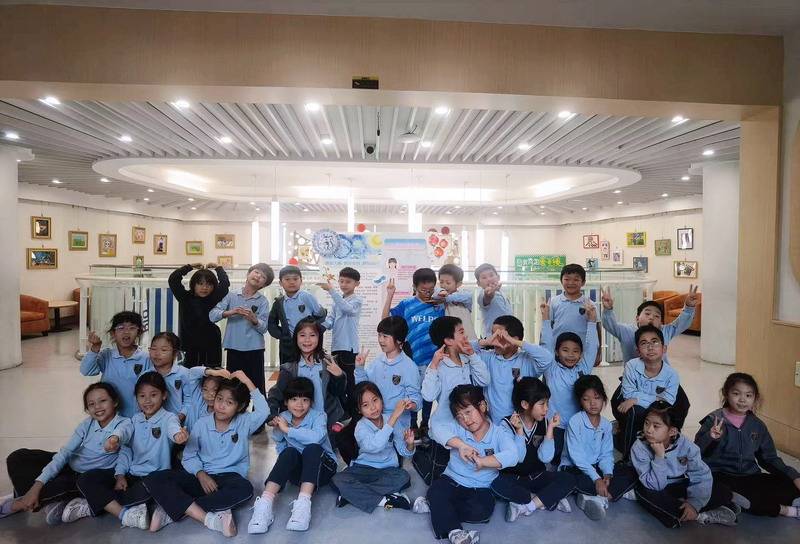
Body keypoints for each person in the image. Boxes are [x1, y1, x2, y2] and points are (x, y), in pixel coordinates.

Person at [144, 371, 267, 537]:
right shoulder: (202, 424)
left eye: (229, 402)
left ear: (239, 407)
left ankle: (175, 508)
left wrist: (245, 380)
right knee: (154, 478)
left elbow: (264, 410)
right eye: (219, 399)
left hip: (229, 478)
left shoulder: (245, 422)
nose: (221, 406)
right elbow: (189, 455)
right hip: (201, 476)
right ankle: (210, 516)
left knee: (245, 489)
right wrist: (201, 474)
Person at [69, 372, 190, 528]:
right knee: (86, 479)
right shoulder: (134, 419)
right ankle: (123, 511)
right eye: (142, 396)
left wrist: (178, 435)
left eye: (153, 395)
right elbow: (125, 446)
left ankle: (95, 505)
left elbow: (174, 429)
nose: (147, 401)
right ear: (136, 398)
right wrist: (120, 474)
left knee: (146, 490)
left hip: (154, 479)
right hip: (132, 476)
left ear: (164, 395)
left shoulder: (169, 418)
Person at [1, 383, 131, 525]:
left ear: (115, 402)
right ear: (87, 409)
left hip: (85, 478)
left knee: (55, 487)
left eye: (103, 401)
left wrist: (113, 440)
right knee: (18, 457)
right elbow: (65, 453)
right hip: (70, 464)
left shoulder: (124, 424)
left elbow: (122, 436)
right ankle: (29, 496)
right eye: (91, 404)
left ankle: (17, 504)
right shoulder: (87, 424)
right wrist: (36, 486)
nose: (97, 407)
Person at [420, 385, 518, 544]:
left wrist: (483, 462)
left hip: (481, 487)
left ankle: (436, 507)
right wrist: (461, 445)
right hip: (452, 480)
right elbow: (435, 429)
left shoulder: (499, 433)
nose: (465, 420)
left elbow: (513, 455)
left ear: (482, 406)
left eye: (468, 412)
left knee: (482, 512)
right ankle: (455, 533)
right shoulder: (457, 428)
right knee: (436, 490)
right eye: (459, 416)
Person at [695, 372, 800, 520]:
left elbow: (769, 459)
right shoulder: (714, 420)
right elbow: (696, 453)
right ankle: (786, 510)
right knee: (728, 494)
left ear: (755, 398)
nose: (742, 400)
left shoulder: (757, 425)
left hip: (750, 476)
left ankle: (740, 503)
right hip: (720, 476)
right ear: (726, 394)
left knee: (789, 485)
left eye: (748, 395)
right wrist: (710, 437)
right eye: (736, 394)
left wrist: (794, 476)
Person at [249, 377, 338, 533]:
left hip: (323, 469)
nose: (299, 404)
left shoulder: (319, 416)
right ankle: (264, 505)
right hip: (299, 474)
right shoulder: (283, 417)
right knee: (288, 451)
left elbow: (316, 438)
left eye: (305, 400)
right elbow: (280, 443)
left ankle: (303, 506)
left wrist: (288, 430)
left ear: (311, 402)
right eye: (294, 399)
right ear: (286, 402)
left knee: (312, 448)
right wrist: (279, 428)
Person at [631, 401, 739, 528]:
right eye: (646, 423)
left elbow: (700, 474)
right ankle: (702, 515)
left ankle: (689, 510)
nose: (649, 430)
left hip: (679, 485)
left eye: (656, 426)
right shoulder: (639, 447)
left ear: (672, 431)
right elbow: (655, 485)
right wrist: (659, 457)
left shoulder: (686, 446)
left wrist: (693, 503)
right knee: (645, 493)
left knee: (720, 488)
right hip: (657, 486)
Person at [414, 316, 490, 485]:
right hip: (445, 427)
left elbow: (484, 380)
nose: (465, 336)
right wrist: (434, 365)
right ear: (448, 340)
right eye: (461, 332)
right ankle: (418, 457)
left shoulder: (468, 360)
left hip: (466, 427)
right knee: (435, 477)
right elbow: (428, 396)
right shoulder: (439, 365)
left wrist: (472, 355)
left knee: (463, 471)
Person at [337, 316, 421, 465]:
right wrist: (360, 368)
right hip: (372, 418)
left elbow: (417, 400)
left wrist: (410, 404)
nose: (381, 340)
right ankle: (358, 468)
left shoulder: (409, 367)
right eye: (379, 335)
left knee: (392, 459)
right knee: (345, 439)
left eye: (385, 336)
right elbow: (363, 389)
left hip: (396, 423)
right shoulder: (377, 362)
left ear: (399, 340)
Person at [490, 377, 576, 521]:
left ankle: (528, 506)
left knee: (568, 479)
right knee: (495, 484)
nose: (546, 409)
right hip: (513, 478)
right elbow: (518, 458)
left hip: (536, 476)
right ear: (525, 404)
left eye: (547, 403)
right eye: (542, 404)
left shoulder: (545, 422)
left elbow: (545, 458)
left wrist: (550, 429)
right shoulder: (506, 425)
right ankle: (546, 499)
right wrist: (519, 431)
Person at [559, 375, 636, 521]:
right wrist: (596, 479)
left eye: (597, 397)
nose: (592, 403)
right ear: (580, 401)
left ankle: (596, 497)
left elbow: (606, 454)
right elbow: (577, 458)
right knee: (569, 479)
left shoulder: (606, 425)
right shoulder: (575, 422)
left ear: (604, 398)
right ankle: (603, 494)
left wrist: (607, 473)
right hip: (574, 468)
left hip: (595, 468)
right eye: (586, 399)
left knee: (631, 472)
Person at [331, 381, 416, 513]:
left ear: (381, 399)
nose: (373, 407)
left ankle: (352, 495)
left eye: (375, 400)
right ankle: (385, 501)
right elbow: (375, 446)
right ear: (359, 410)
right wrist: (394, 417)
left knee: (404, 477)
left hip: (388, 470)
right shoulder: (361, 427)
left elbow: (403, 452)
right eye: (365, 405)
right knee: (337, 479)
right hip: (363, 468)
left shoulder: (390, 419)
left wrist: (410, 444)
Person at [382, 267, 444, 436]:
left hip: (433, 360)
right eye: (423, 290)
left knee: (428, 393)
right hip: (411, 359)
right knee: (411, 393)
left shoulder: (438, 306)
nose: (428, 293)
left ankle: (425, 423)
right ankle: (412, 424)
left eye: (431, 289)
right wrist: (390, 295)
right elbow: (385, 319)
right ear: (415, 287)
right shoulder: (407, 304)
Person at [536, 300, 599, 462]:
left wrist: (592, 322)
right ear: (557, 352)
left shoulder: (583, 369)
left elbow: (592, 347)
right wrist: (546, 319)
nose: (571, 355)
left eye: (575, 351)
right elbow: (546, 344)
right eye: (565, 350)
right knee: (552, 458)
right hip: (554, 425)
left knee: (577, 459)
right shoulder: (551, 368)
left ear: (581, 354)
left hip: (578, 426)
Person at [267, 317, 346, 436]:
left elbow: (338, 392)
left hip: (327, 424)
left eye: (312, 335)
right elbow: (276, 394)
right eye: (302, 335)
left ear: (319, 338)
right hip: (299, 427)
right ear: (296, 338)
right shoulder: (289, 368)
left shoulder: (329, 363)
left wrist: (339, 376)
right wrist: (272, 414)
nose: (307, 340)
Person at [209, 263, 273, 400]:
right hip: (234, 347)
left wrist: (254, 319)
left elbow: (264, 328)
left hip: (255, 349)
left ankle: (260, 413)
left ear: (264, 285)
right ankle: (235, 412)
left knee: (257, 386)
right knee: (234, 386)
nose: (258, 276)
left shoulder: (263, 301)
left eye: (263, 277)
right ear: (248, 273)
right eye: (256, 272)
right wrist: (230, 312)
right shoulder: (231, 295)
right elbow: (212, 315)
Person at [617, 325, 681, 461]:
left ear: (664, 348)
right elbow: (628, 394)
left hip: (654, 409)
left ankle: (665, 453)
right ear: (638, 351)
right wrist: (653, 399)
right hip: (632, 408)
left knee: (668, 414)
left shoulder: (672, 375)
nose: (650, 347)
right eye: (644, 343)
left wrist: (637, 399)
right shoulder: (631, 366)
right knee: (635, 411)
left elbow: (667, 402)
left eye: (655, 342)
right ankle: (628, 457)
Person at [473, 315, 552, 425]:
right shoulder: (487, 357)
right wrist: (485, 342)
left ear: (514, 339)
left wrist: (517, 343)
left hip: (519, 425)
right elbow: (463, 350)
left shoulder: (526, 360)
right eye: (493, 335)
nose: (494, 340)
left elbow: (547, 358)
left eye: (499, 336)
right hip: (493, 425)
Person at [600, 285, 699, 364]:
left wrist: (689, 307)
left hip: (661, 378)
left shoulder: (665, 331)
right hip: (634, 378)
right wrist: (608, 310)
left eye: (657, 316)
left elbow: (681, 324)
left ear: (661, 323)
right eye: (647, 314)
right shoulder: (627, 331)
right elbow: (610, 325)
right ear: (637, 318)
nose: (651, 317)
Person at [80, 311, 151, 417]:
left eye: (132, 328)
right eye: (121, 328)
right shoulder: (107, 355)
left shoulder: (145, 358)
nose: (126, 332)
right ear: (113, 333)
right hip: (110, 417)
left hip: (136, 416)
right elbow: (86, 370)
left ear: (139, 332)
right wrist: (95, 348)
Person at [319, 266, 363, 418]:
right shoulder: (337, 301)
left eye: (348, 282)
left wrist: (331, 291)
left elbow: (347, 309)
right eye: (341, 281)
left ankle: (354, 413)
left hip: (349, 349)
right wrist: (317, 328)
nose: (344, 284)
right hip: (336, 347)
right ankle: (342, 412)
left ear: (357, 284)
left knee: (349, 382)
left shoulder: (357, 300)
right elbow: (330, 320)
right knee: (337, 381)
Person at [168, 262, 230, 367]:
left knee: (213, 373)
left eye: (209, 284)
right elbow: (173, 279)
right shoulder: (185, 297)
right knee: (190, 373)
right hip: (190, 345)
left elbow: (224, 283)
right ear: (194, 284)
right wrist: (189, 267)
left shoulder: (214, 297)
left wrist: (218, 268)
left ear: (213, 286)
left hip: (211, 344)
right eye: (200, 284)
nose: (204, 288)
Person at [268, 265, 328, 365]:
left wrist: (316, 332)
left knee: (310, 368)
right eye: (287, 279)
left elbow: (321, 315)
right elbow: (271, 323)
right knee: (288, 369)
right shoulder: (279, 302)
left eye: (295, 279)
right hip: (288, 346)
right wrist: (282, 335)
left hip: (308, 343)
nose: (292, 282)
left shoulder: (307, 296)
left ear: (301, 281)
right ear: (280, 283)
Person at [548, 263, 601, 364]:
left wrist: (598, 353)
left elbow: (597, 328)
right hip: (558, 352)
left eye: (576, 279)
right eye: (567, 279)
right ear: (561, 280)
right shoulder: (553, 302)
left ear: (583, 282)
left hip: (581, 354)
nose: (571, 283)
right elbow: (547, 327)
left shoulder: (590, 305)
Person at [436, 263, 477, 340]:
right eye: (441, 282)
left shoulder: (464, 294)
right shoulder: (439, 297)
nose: (443, 285)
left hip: (467, 337)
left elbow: (467, 296)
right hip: (450, 337)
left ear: (458, 284)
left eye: (448, 283)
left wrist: (446, 298)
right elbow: (435, 295)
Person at [474, 263, 513, 339]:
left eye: (491, 275)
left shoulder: (502, 293)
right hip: (491, 338)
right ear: (478, 283)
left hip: (506, 335)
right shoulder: (482, 294)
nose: (489, 279)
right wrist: (489, 293)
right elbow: (487, 297)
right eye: (484, 277)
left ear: (498, 277)